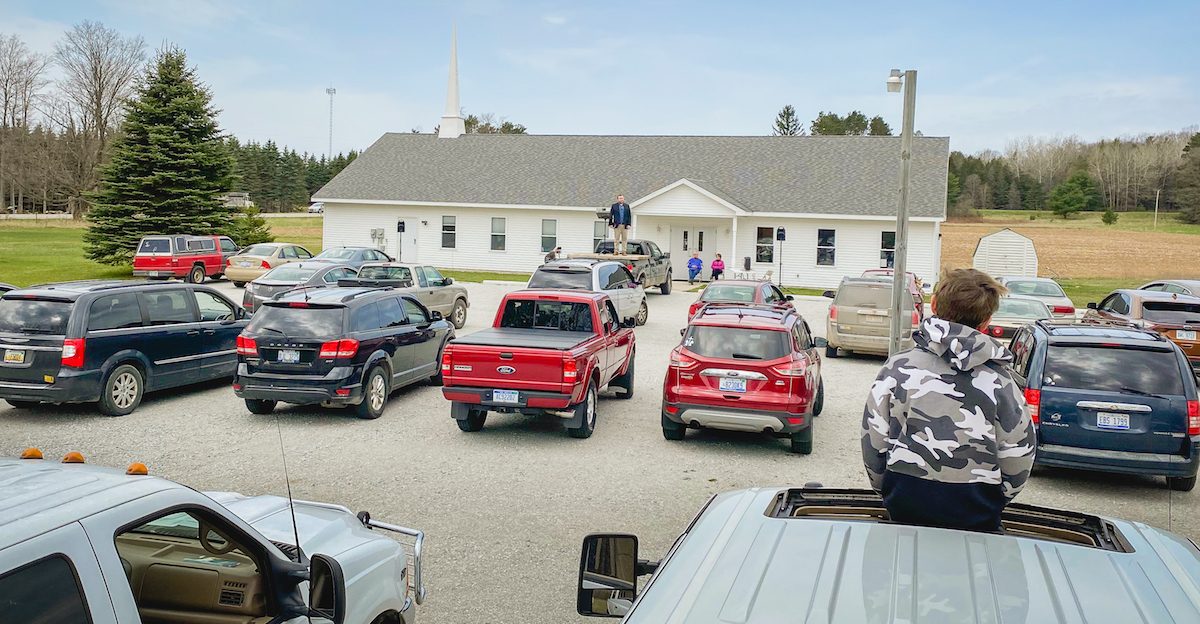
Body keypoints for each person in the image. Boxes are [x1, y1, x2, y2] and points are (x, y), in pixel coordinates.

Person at [861, 268, 1035, 532]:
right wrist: (996, 499)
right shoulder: (1001, 380)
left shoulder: (897, 368)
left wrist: (887, 490)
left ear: (933, 305)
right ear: (987, 320)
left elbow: (874, 439)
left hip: (904, 503)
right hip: (978, 511)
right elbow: (1018, 451)